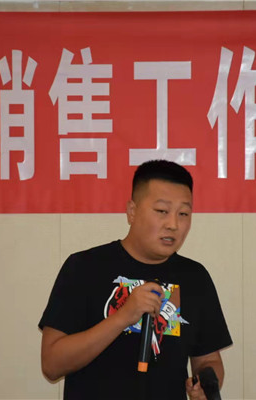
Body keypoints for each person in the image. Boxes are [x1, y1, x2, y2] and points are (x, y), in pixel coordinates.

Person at [39, 160, 232, 400]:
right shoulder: (84, 268)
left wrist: (206, 383)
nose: (173, 225)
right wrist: (123, 316)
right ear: (132, 211)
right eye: (161, 211)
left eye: (183, 214)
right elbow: (52, 364)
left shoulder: (195, 277)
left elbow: (209, 360)